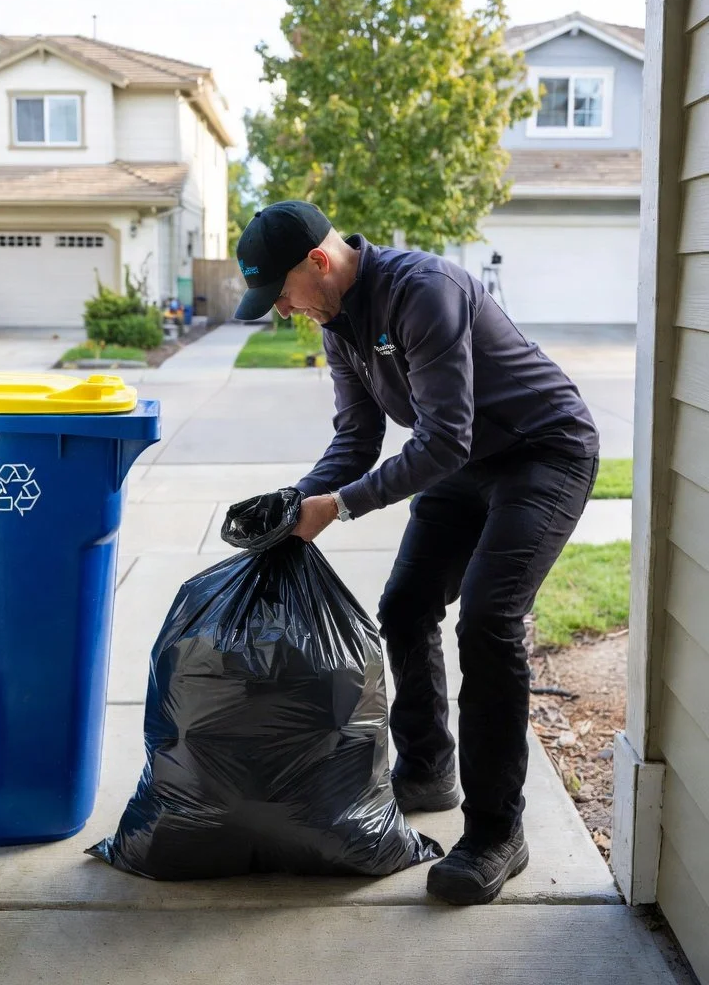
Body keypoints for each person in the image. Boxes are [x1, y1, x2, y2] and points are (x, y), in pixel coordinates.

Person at [233, 200, 600, 907]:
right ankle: (429, 769)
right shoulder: (337, 322)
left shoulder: (423, 291)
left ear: (318, 262)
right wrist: (295, 502)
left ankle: (497, 832)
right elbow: (356, 440)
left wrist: (337, 507)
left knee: (488, 622)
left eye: (281, 293)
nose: (282, 310)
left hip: (542, 453)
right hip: (464, 465)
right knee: (403, 606)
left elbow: (443, 438)